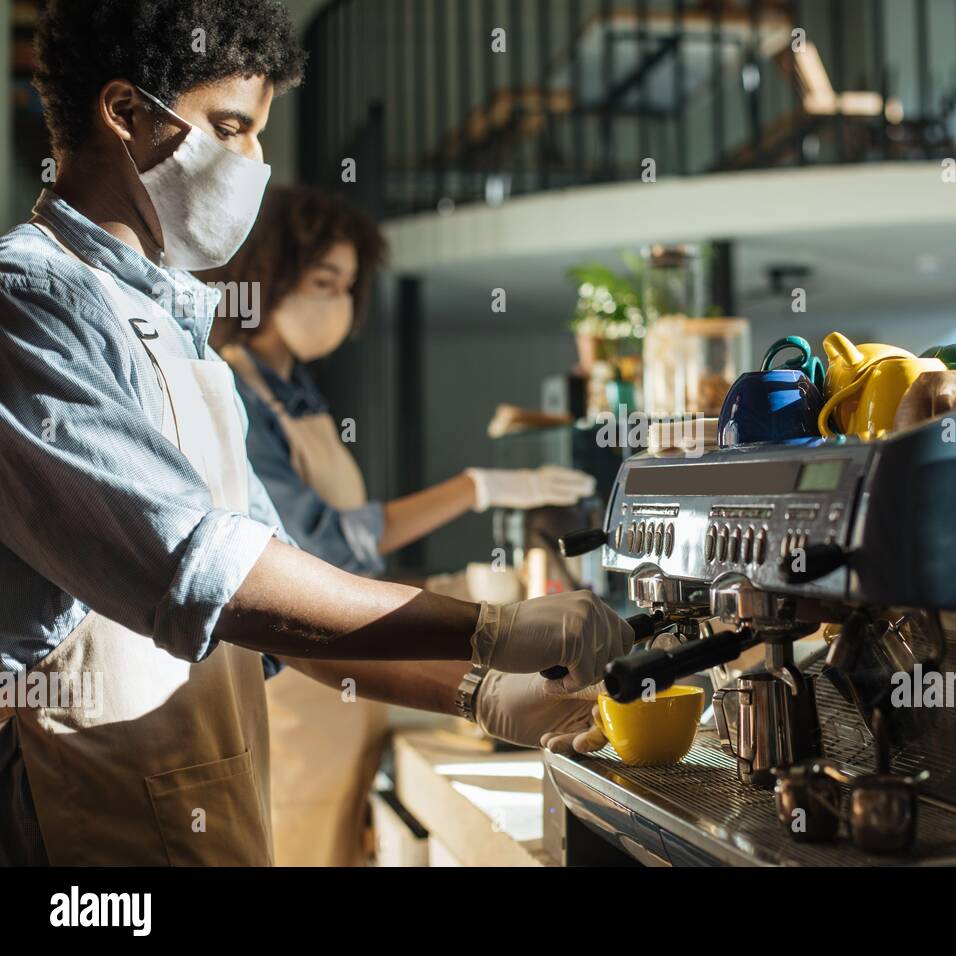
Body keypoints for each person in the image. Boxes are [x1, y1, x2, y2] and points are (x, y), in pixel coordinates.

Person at [0, 0, 620, 867]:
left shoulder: (185, 338)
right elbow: (205, 569)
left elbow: (285, 609)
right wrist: (489, 626)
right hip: (82, 831)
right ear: (125, 111)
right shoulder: (30, 303)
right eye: (229, 127)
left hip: (201, 813)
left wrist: (480, 693)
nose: (253, 161)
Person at [202, 186, 597, 866]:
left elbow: (349, 566)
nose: (340, 303)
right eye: (324, 281)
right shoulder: (236, 389)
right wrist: (475, 489)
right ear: (268, 273)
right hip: (298, 684)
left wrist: (451, 594)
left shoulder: (299, 391)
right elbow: (319, 542)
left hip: (355, 687)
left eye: (350, 287)